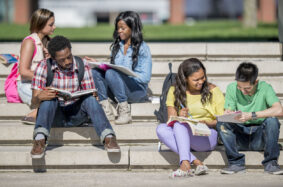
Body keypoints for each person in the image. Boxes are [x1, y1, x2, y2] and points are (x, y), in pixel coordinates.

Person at [30, 36, 120, 159]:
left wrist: (93, 96)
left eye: (69, 56)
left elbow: (90, 93)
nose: (67, 62)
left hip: (77, 115)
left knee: (90, 99)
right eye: (62, 60)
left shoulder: (81, 64)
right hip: (55, 115)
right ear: (53, 58)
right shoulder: (43, 66)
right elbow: (33, 103)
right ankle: (39, 141)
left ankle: (109, 138)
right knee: (48, 100)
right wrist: (39, 96)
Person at [156, 58, 225, 178]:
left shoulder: (213, 90)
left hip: (207, 135)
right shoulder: (174, 90)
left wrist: (206, 122)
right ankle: (194, 162)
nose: (201, 82)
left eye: (202, 77)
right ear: (185, 79)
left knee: (178, 125)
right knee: (161, 129)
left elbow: (222, 119)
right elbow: (170, 120)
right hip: (184, 132)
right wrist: (179, 116)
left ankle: (184, 165)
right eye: (196, 80)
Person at [86, 11, 152, 125]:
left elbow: (145, 78)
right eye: (118, 28)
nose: (119, 31)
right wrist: (99, 64)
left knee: (111, 73)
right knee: (95, 71)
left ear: (133, 28)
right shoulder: (117, 46)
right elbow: (113, 70)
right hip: (118, 88)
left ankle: (125, 112)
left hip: (136, 90)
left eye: (123, 28)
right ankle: (106, 111)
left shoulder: (143, 48)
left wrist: (126, 75)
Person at [216, 62, 283, 175]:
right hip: (240, 136)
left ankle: (271, 163)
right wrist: (229, 114)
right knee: (222, 123)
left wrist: (251, 115)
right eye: (239, 87)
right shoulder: (232, 88)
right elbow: (229, 110)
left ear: (255, 82)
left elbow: (279, 110)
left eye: (247, 88)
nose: (243, 91)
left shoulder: (265, 87)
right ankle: (236, 163)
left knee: (272, 121)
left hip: (260, 137)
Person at [18, 8, 55, 125]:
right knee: (53, 96)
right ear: (40, 24)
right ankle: (34, 114)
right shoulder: (30, 42)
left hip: (43, 84)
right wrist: (46, 77)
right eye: (51, 25)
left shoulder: (48, 42)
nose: (54, 27)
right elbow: (23, 72)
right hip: (28, 85)